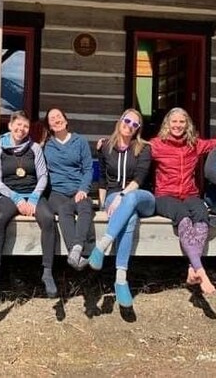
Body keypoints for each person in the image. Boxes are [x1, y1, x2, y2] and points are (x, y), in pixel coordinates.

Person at [0, 111, 57, 302]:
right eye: (18, 125)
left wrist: (32, 199)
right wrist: (16, 198)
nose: (21, 129)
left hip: (33, 194)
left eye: (25, 126)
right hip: (9, 194)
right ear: (10, 126)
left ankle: (47, 272)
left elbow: (43, 176)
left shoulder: (35, 148)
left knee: (48, 219)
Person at [149, 107, 216, 295]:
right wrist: (107, 143)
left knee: (201, 214)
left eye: (182, 122)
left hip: (190, 194)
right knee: (183, 216)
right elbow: (134, 148)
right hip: (165, 195)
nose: (178, 125)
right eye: (174, 121)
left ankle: (192, 268)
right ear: (167, 124)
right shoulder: (156, 144)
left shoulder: (194, 144)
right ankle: (201, 271)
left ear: (187, 124)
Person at [88, 109, 155, 308]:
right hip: (113, 197)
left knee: (131, 199)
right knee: (130, 217)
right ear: (120, 121)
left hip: (142, 197)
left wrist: (122, 196)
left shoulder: (144, 148)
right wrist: (102, 204)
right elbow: (102, 180)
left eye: (135, 124)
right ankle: (121, 279)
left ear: (138, 129)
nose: (130, 126)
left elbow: (140, 179)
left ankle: (101, 246)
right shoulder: (106, 146)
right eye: (127, 121)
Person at [42, 107, 95, 271]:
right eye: (52, 119)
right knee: (65, 209)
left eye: (59, 116)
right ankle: (77, 251)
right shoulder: (47, 146)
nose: (56, 120)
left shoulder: (80, 141)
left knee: (86, 206)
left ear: (65, 120)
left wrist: (83, 189)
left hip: (77, 189)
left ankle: (76, 248)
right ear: (50, 126)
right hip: (57, 192)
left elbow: (88, 169)